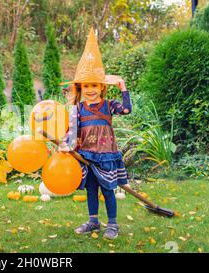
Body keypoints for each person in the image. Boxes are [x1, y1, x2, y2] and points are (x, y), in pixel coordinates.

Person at [59, 28, 132, 240]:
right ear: (81, 88)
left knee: (108, 189)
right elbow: (72, 131)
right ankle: (93, 221)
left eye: (95, 85)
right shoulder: (77, 109)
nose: (91, 89)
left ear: (101, 87)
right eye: (86, 85)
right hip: (87, 155)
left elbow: (127, 110)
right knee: (91, 189)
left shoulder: (109, 105)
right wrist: (66, 145)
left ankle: (112, 224)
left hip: (106, 154)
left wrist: (124, 89)